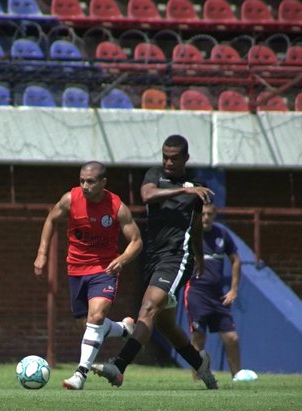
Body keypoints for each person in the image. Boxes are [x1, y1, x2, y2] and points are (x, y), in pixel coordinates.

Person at [91, 134, 218, 390]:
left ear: (186, 158)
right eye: (165, 157)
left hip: (177, 256)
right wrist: (184, 190)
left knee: (148, 309)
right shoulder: (155, 175)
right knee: (165, 324)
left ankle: (119, 366)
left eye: (174, 158)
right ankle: (200, 362)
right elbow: (147, 195)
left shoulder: (198, 187)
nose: (168, 162)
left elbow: (195, 227)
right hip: (154, 257)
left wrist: (199, 256)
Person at [34, 161, 143, 390]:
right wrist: (42, 253)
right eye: (82, 181)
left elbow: (136, 241)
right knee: (85, 324)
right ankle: (123, 329)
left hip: (104, 270)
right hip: (76, 269)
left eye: (90, 182)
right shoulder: (70, 199)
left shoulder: (116, 207)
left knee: (96, 316)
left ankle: (80, 374)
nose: (85, 186)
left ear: (103, 182)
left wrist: (122, 259)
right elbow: (51, 220)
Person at [184, 203, 242, 379]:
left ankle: (237, 377)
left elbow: (236, 260)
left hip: (218, 295)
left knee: (231, 338)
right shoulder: (190, 235)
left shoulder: (222, 234)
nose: (206, 218)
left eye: (209, 214)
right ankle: (198, 378)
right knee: (199, 338)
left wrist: (233, 289)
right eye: (202, 214)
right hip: (197, 293)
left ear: (214, 215)